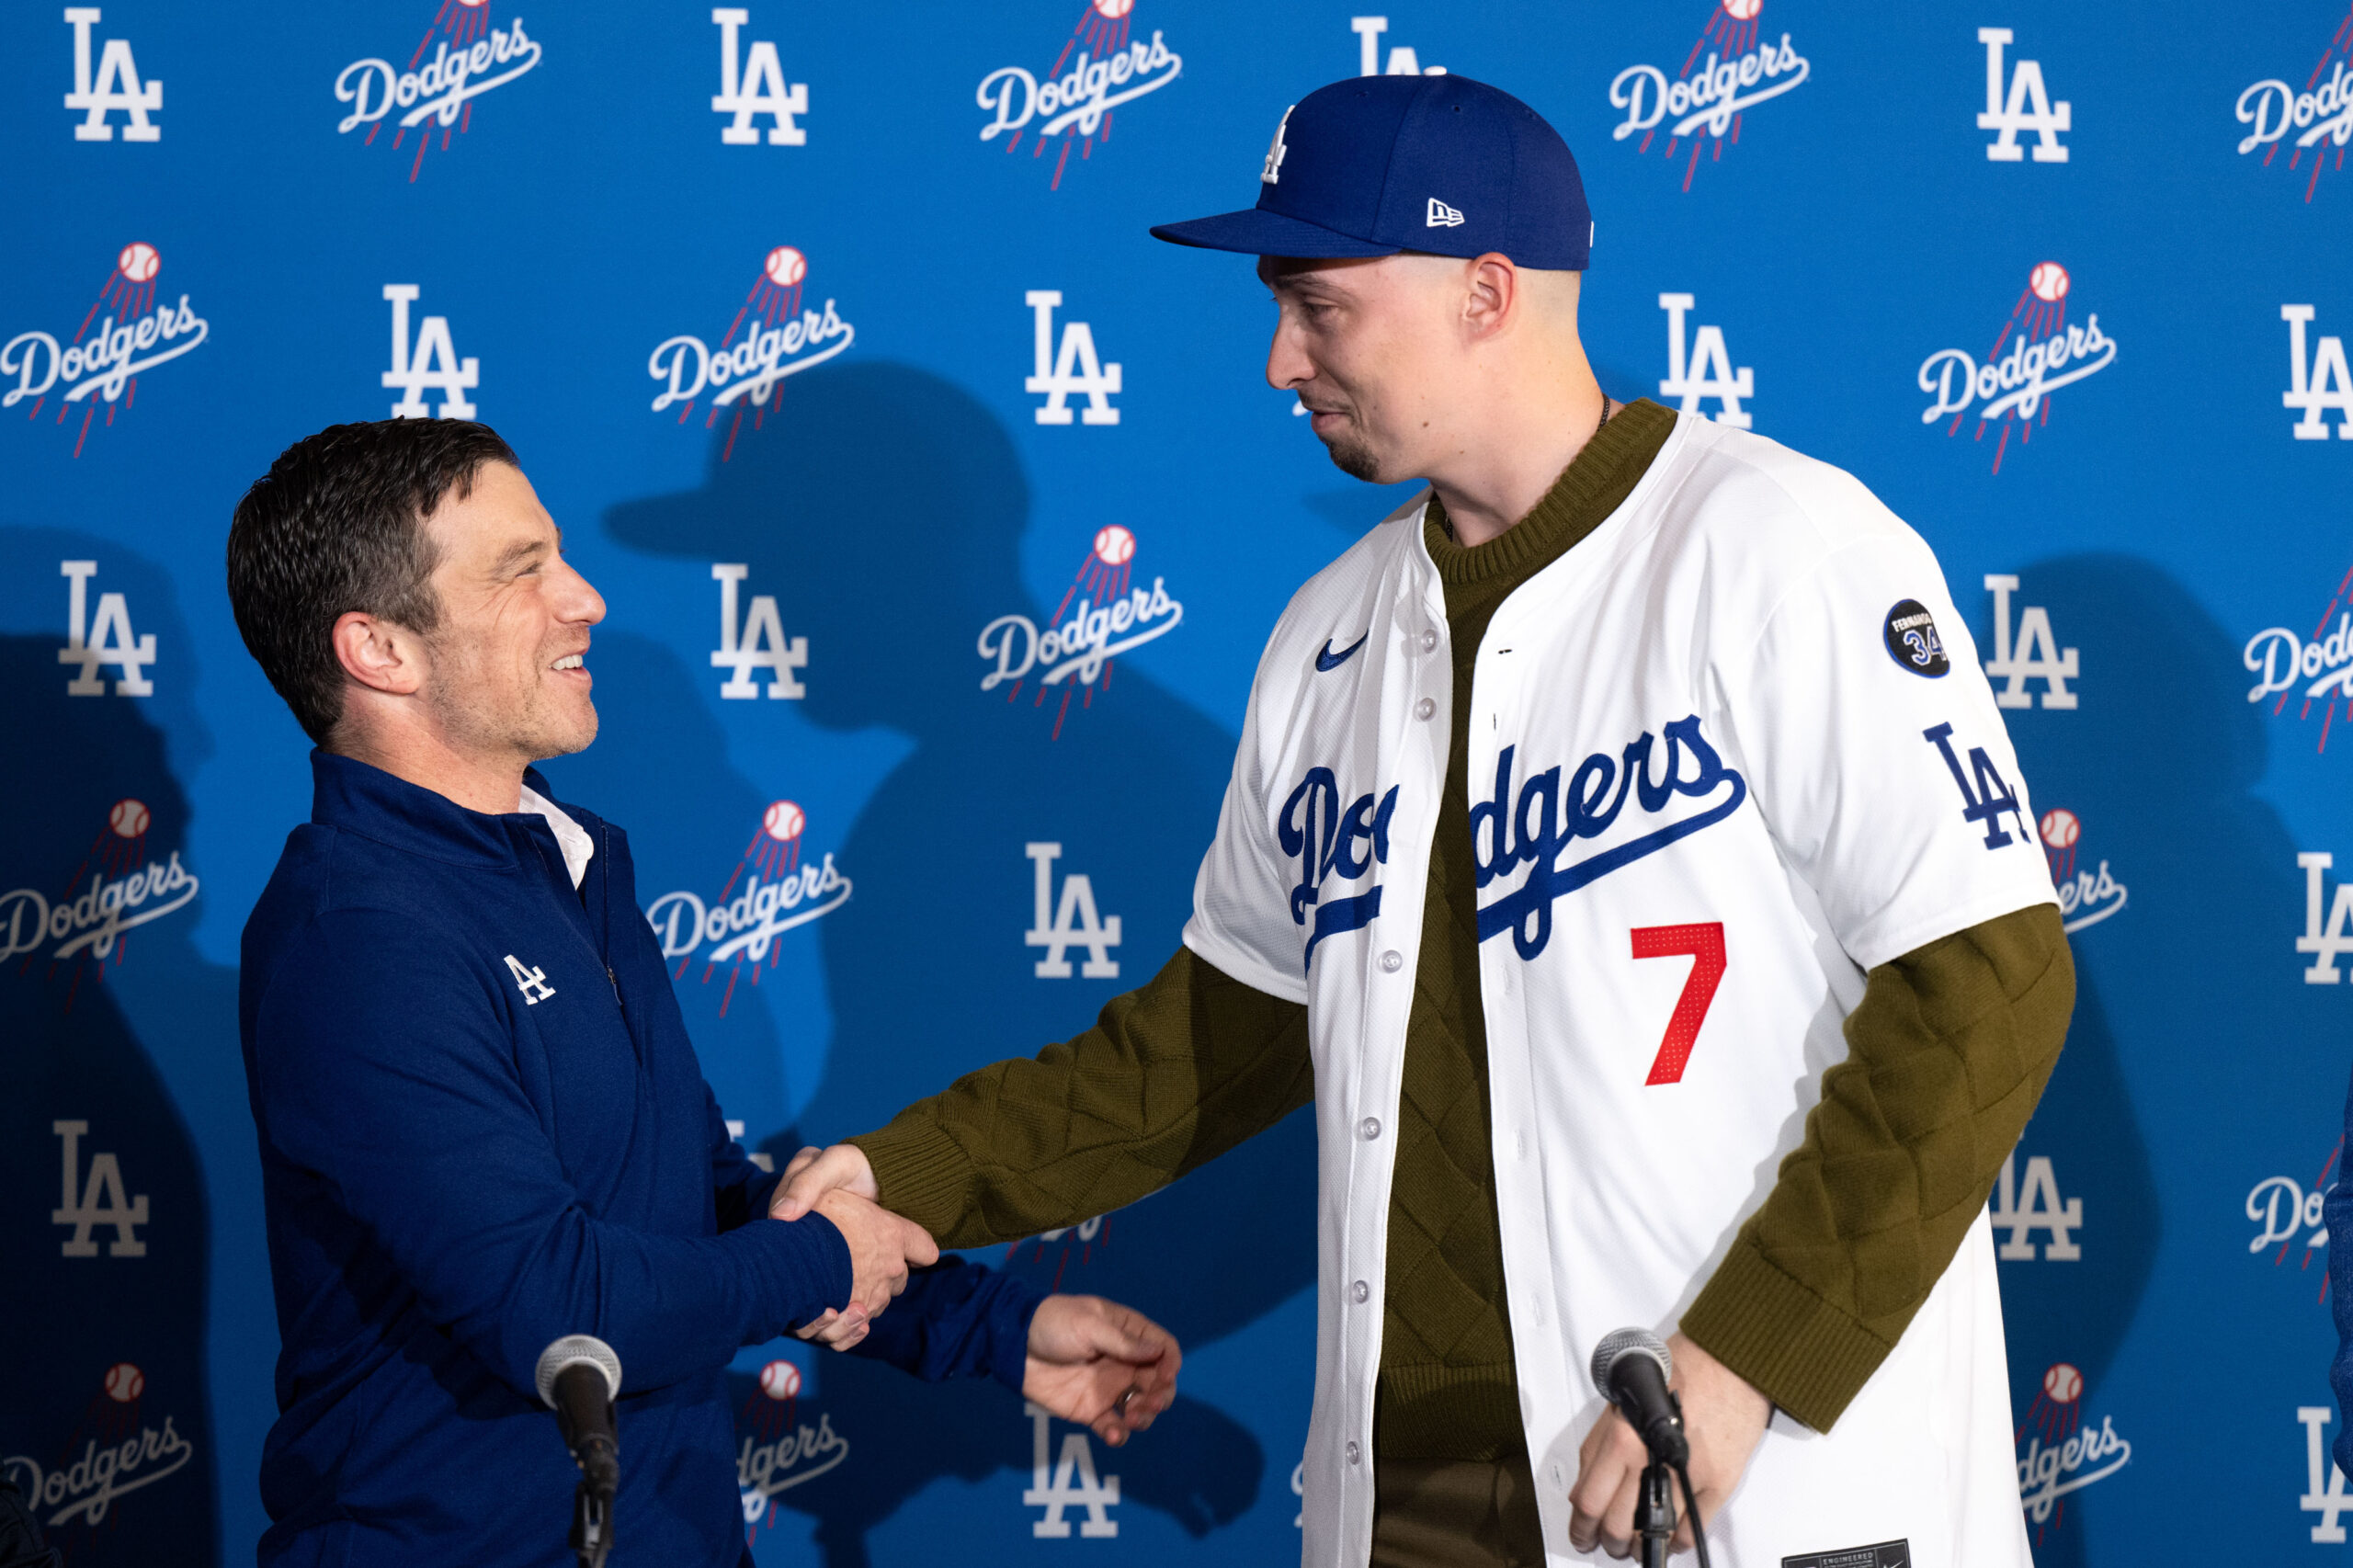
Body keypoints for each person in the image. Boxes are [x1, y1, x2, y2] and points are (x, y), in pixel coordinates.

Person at [774, 74, 2075, 1567]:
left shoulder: (1777, 547)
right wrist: (915, 1170)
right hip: (1423, 1491)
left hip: (1745, 1459)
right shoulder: (1328, 634)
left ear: (1487, 290)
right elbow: (1214, 1039)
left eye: (1320, 305)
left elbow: (1984, 983)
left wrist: (1747, 1355)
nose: (1278, 359)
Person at [225, 419, 1178, 1568]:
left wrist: (995, 1328)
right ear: (380, 650)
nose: (585, 600)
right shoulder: (358, 938)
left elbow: (697, 1201)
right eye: (522, 572)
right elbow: (562, 1302)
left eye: (560, 558)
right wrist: (831, 1261)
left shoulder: (564, 868)